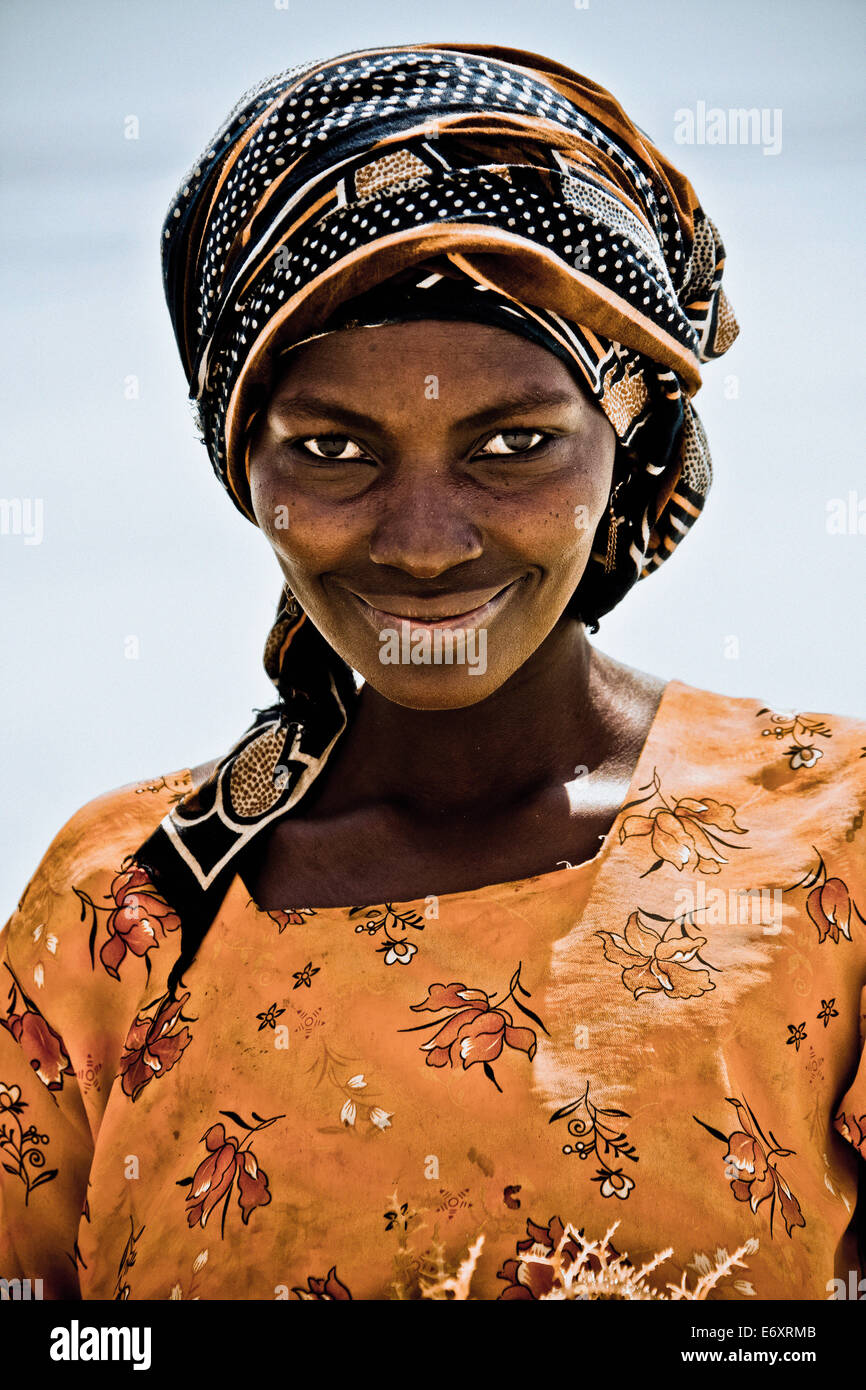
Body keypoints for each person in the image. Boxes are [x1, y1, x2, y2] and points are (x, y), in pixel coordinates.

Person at [1, 42, 863, 1303]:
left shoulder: (830, 840)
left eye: (513, 444)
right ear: (242, 465)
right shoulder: (125, 907)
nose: (421, 541)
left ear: (623, 447)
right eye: (332, 448)